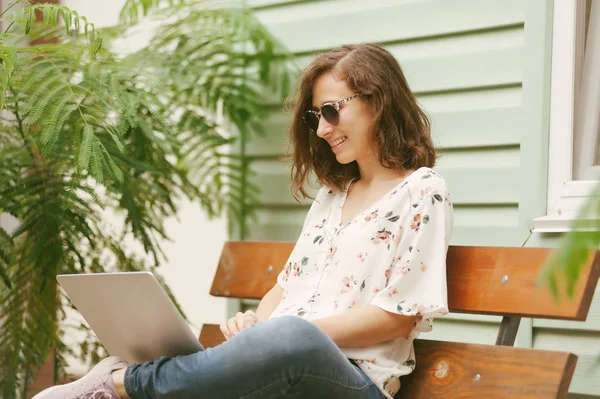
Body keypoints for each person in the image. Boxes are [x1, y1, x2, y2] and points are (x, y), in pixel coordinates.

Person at [34, 43, 453, 399]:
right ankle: (138, 373)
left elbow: (398, 315)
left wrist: (285, 334)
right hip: (285, 366)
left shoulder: (422, 191)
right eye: (315, 117)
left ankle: (120, 383)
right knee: (283, 336)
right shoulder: (332, 197)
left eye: (330, 111)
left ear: (377, 101)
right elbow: (284, 288)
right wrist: (256, 324)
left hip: (355, 381)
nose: (323, 129)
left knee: (293, 337)